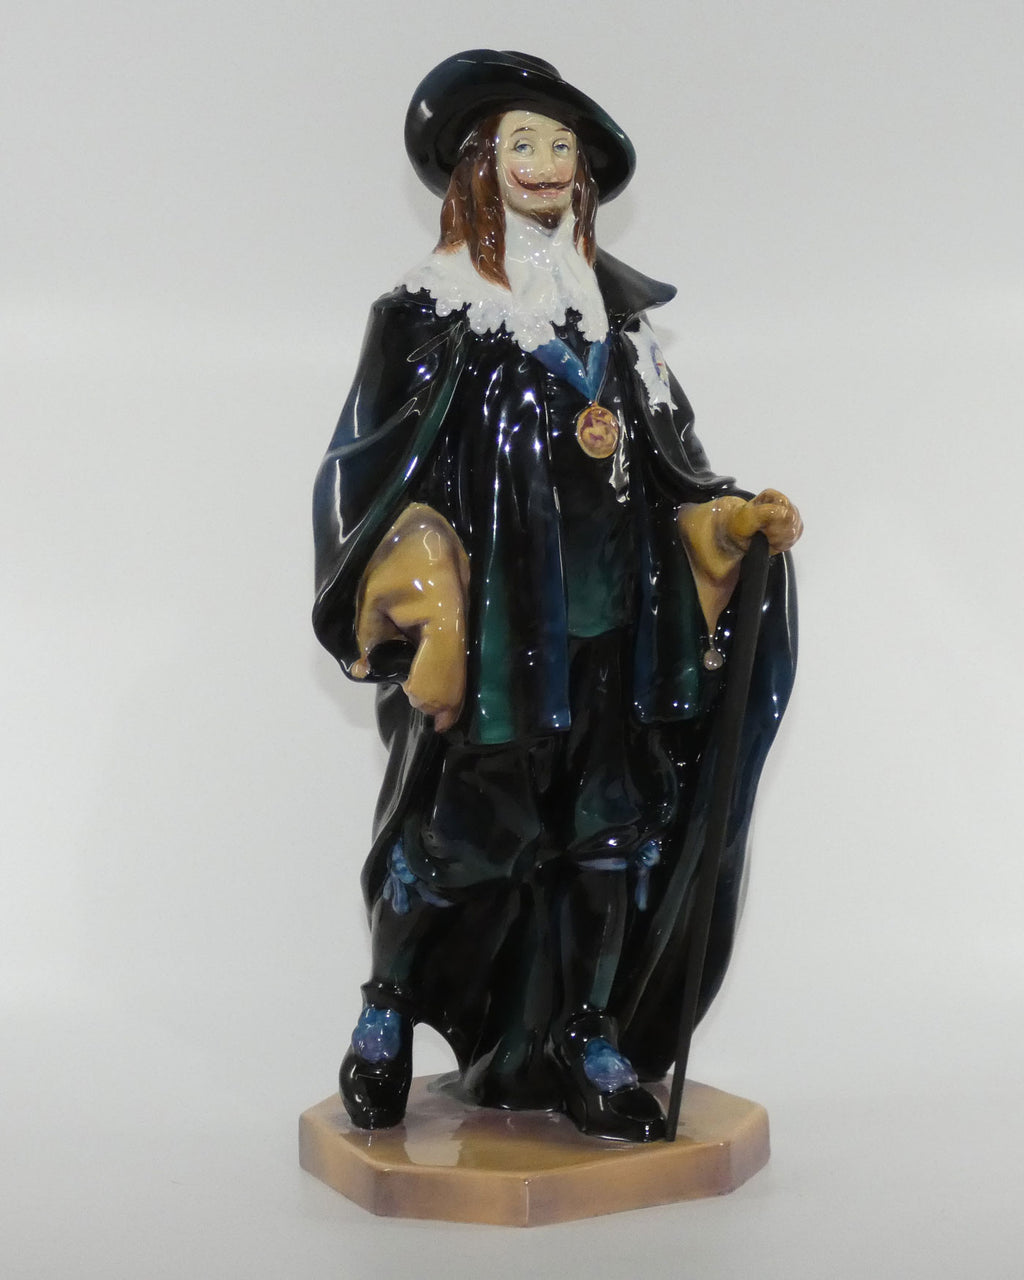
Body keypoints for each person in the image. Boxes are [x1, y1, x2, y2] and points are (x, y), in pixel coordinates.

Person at [312, 50, 801, 1143]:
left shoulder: (614, 329)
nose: (545, 164)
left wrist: (725, 522)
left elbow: (670, 466)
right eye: (522, 144)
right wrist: (412, 581)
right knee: (457, 838)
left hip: (613, 636)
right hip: (500, 640)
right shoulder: (428, 315)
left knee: (608, 838)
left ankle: (586, 1031)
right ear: (477, 169)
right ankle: (387, 1011)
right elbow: (363, 471)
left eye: (561, 147)